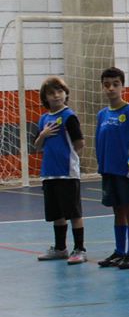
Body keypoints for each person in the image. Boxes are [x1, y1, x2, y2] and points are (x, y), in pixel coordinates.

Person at [35, 76, 86, 264]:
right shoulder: (44, 119)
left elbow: (79, 143)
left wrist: (70, 159)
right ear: (45, 97)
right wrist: (43, 134)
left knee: (74, 213)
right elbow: (38, 146)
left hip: (67, 173)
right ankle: (60, 248)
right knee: (57, 213)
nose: (56, 95)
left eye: (59, 91)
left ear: (65, 94)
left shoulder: (69, 117)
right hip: (49, 173)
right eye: (51, 93)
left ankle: (80, 248)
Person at [94, 67, 129, 269]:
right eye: (107, 85)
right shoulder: (102, 114)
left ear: (122, 86)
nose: (111, 88)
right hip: (109, 170)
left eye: (115, 84)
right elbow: (98, 141)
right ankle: (119, 251)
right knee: (117, 211)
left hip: (126, 171)